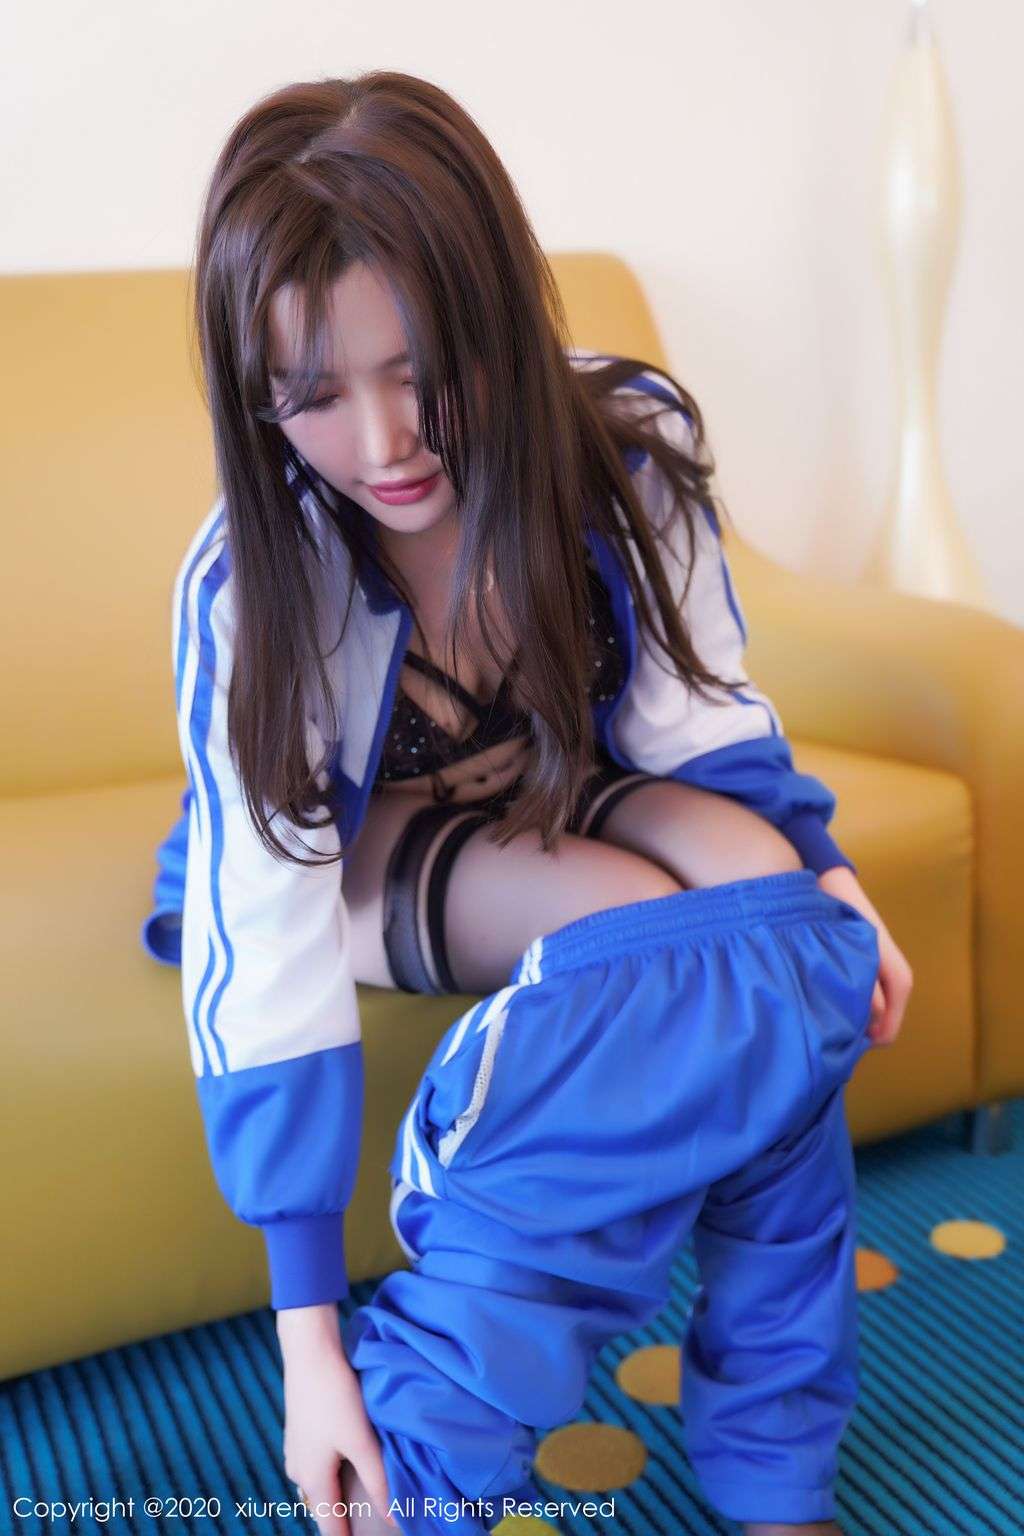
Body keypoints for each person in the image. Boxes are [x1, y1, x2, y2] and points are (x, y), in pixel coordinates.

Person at [140, 70, 914, 1536]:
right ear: (261, 399)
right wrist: (310, 1346)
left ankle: (773, 1463)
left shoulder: (625, 449)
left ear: (497, 302)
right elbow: (268, 918)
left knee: (781, 926)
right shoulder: (254, 581)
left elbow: (703, 714)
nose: (385, 444)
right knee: (663, 943)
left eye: (422, 367)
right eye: (316, 396)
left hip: (567, 785)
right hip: (343, 858)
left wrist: (832, 878)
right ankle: (436, 1430)